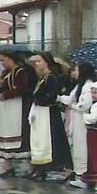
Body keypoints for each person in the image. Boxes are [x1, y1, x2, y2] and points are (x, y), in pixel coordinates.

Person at [26, 52, 74, 181]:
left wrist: (40, 100)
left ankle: (66, 168)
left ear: (47, 62)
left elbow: (52, 95)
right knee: (42, 140)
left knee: (55, 140)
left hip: (49, 112)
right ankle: (40, 168)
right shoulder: (42, 78)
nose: (37, 64)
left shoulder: (51, 77)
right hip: (41, 112)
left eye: (39, 61)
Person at [0, 50, 32, 178]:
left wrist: (6, 94)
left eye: (3, 60)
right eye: (0, 60)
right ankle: (8, 166)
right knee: (6, 131)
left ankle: (31, 166)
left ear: (10, 58)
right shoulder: (5, 73)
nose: (2, 63)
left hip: (17, 106)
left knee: (19, 132)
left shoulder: (21, 72)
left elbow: (21, 88)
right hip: (6, 107)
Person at [60, 61, 95, 189]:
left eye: (76, 70)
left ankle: (84, 175)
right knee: (76, 147)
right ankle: (80, 174)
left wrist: (73, 105)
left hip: (82, 121)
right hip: (75, 120)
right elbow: (70, 98)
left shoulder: (88, 86)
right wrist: (60, 98)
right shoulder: (78, 86)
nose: (73, 73)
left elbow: (83, 105)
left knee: (82, 147)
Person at [81, 81, 97, 189]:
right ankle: (91, 180)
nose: (93, 95)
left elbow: (93, 119)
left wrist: (85, 116)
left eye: (96, 93)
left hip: (96, 133)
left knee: (95, 156)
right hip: (94, 132)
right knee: (92, 155)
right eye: (92, 93)